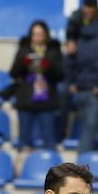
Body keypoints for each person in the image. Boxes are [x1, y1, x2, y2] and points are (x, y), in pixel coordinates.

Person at [5, 20, 65, 157]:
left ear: (46, 35)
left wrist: (47, 66)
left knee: (49, 139)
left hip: (47, 102)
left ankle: (53, 174)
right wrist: (23, 62)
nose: (37, 37)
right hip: (26, 100)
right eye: (34, 34)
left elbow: (61, 75)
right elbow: (13, 73)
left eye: (40, 34)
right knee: (23, 141)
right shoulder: (24, 49)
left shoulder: (53, 50)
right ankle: (21, 173)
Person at [64, 0, 98, 156]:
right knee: (88, 133)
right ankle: (81, 171)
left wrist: (72, 82)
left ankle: (82, 171)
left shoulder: (78, 38)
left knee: (87, 133)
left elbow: (70, 60)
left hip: (84, 89)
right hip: (91, 91)